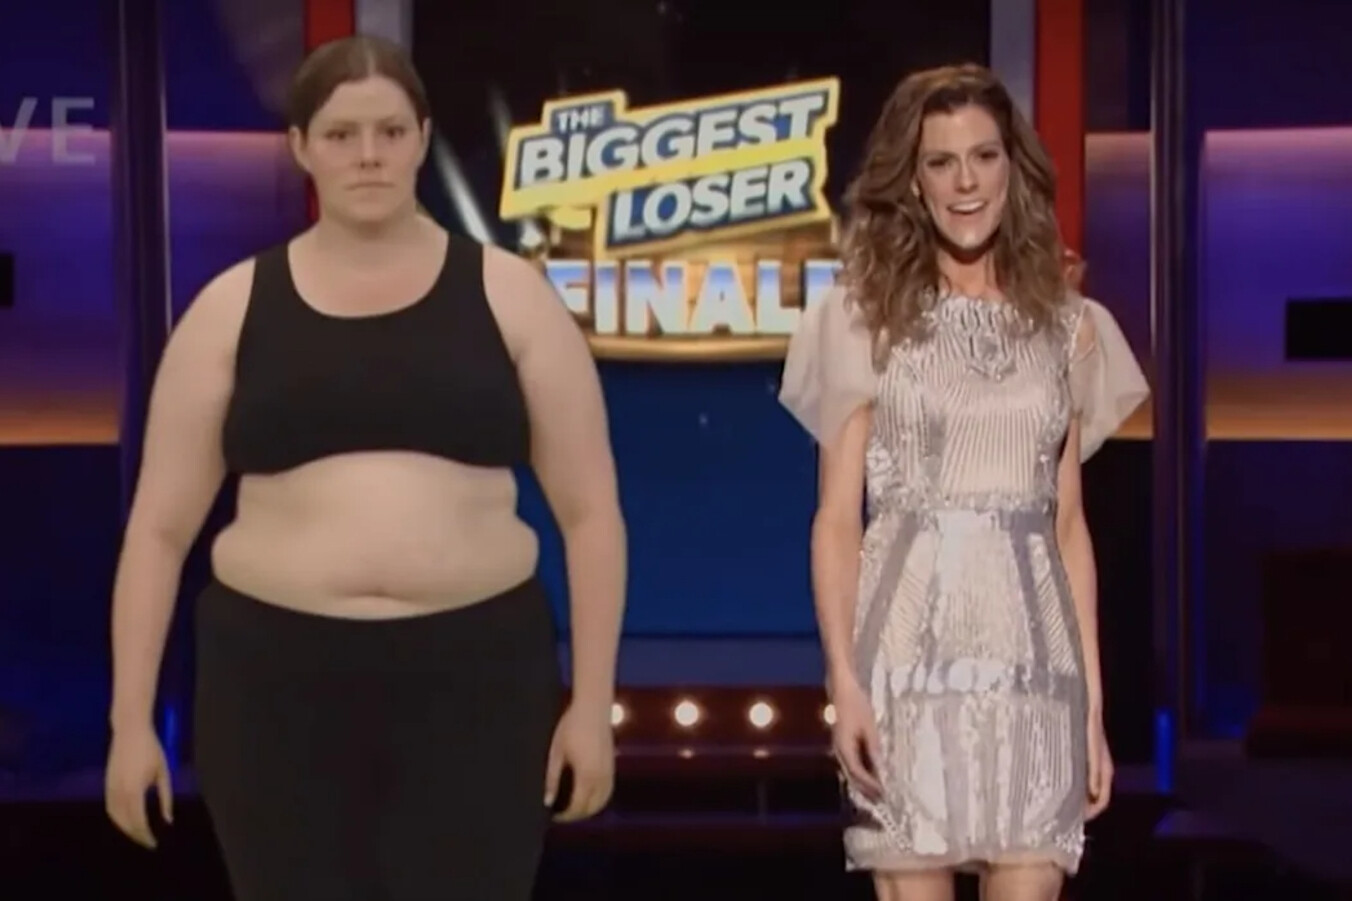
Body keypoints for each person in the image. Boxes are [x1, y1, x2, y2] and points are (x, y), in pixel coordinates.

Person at [102, 35, 626, 900]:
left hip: (477, 679)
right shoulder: (229, 308)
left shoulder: (514, 297)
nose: (369, 155)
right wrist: (129, 722)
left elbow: (592, 514)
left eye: (390, 131)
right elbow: (158, 532)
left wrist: (593, 708)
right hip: (273, 683)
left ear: (423, 139)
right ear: (302, 147)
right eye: (342, 135)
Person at [779, 64, 1148, 901]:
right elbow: (837, 519)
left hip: (1035, 663)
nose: (965, 182)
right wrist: (844, 681)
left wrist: (1091, 705)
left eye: (983, 156)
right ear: (914, 180)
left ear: (1013, 167)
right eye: (941, 162)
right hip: (905, 660)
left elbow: (1068, 525)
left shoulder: (1068, 326)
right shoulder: (862, 319)